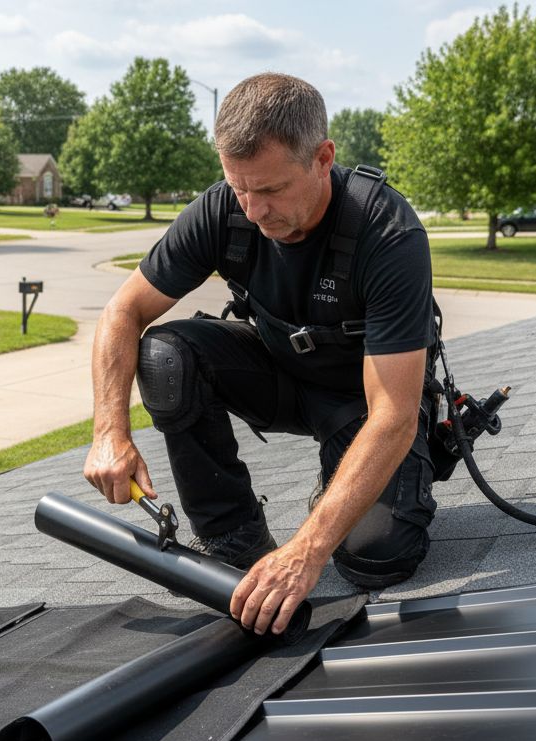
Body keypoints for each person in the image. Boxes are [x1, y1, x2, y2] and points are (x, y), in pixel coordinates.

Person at [84, 73, 436, 637]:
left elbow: (394, 414)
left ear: (323, 159)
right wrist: (109, 431)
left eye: (270, 190)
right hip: (278, 377)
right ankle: (234, 538)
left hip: (363, 404)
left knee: (374, 556)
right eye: (240, 189)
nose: (253, 210)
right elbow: (122, 312)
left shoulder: (386, 232)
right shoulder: (224, 210)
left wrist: (306, 549)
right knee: (166, 355)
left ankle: (351, 487)